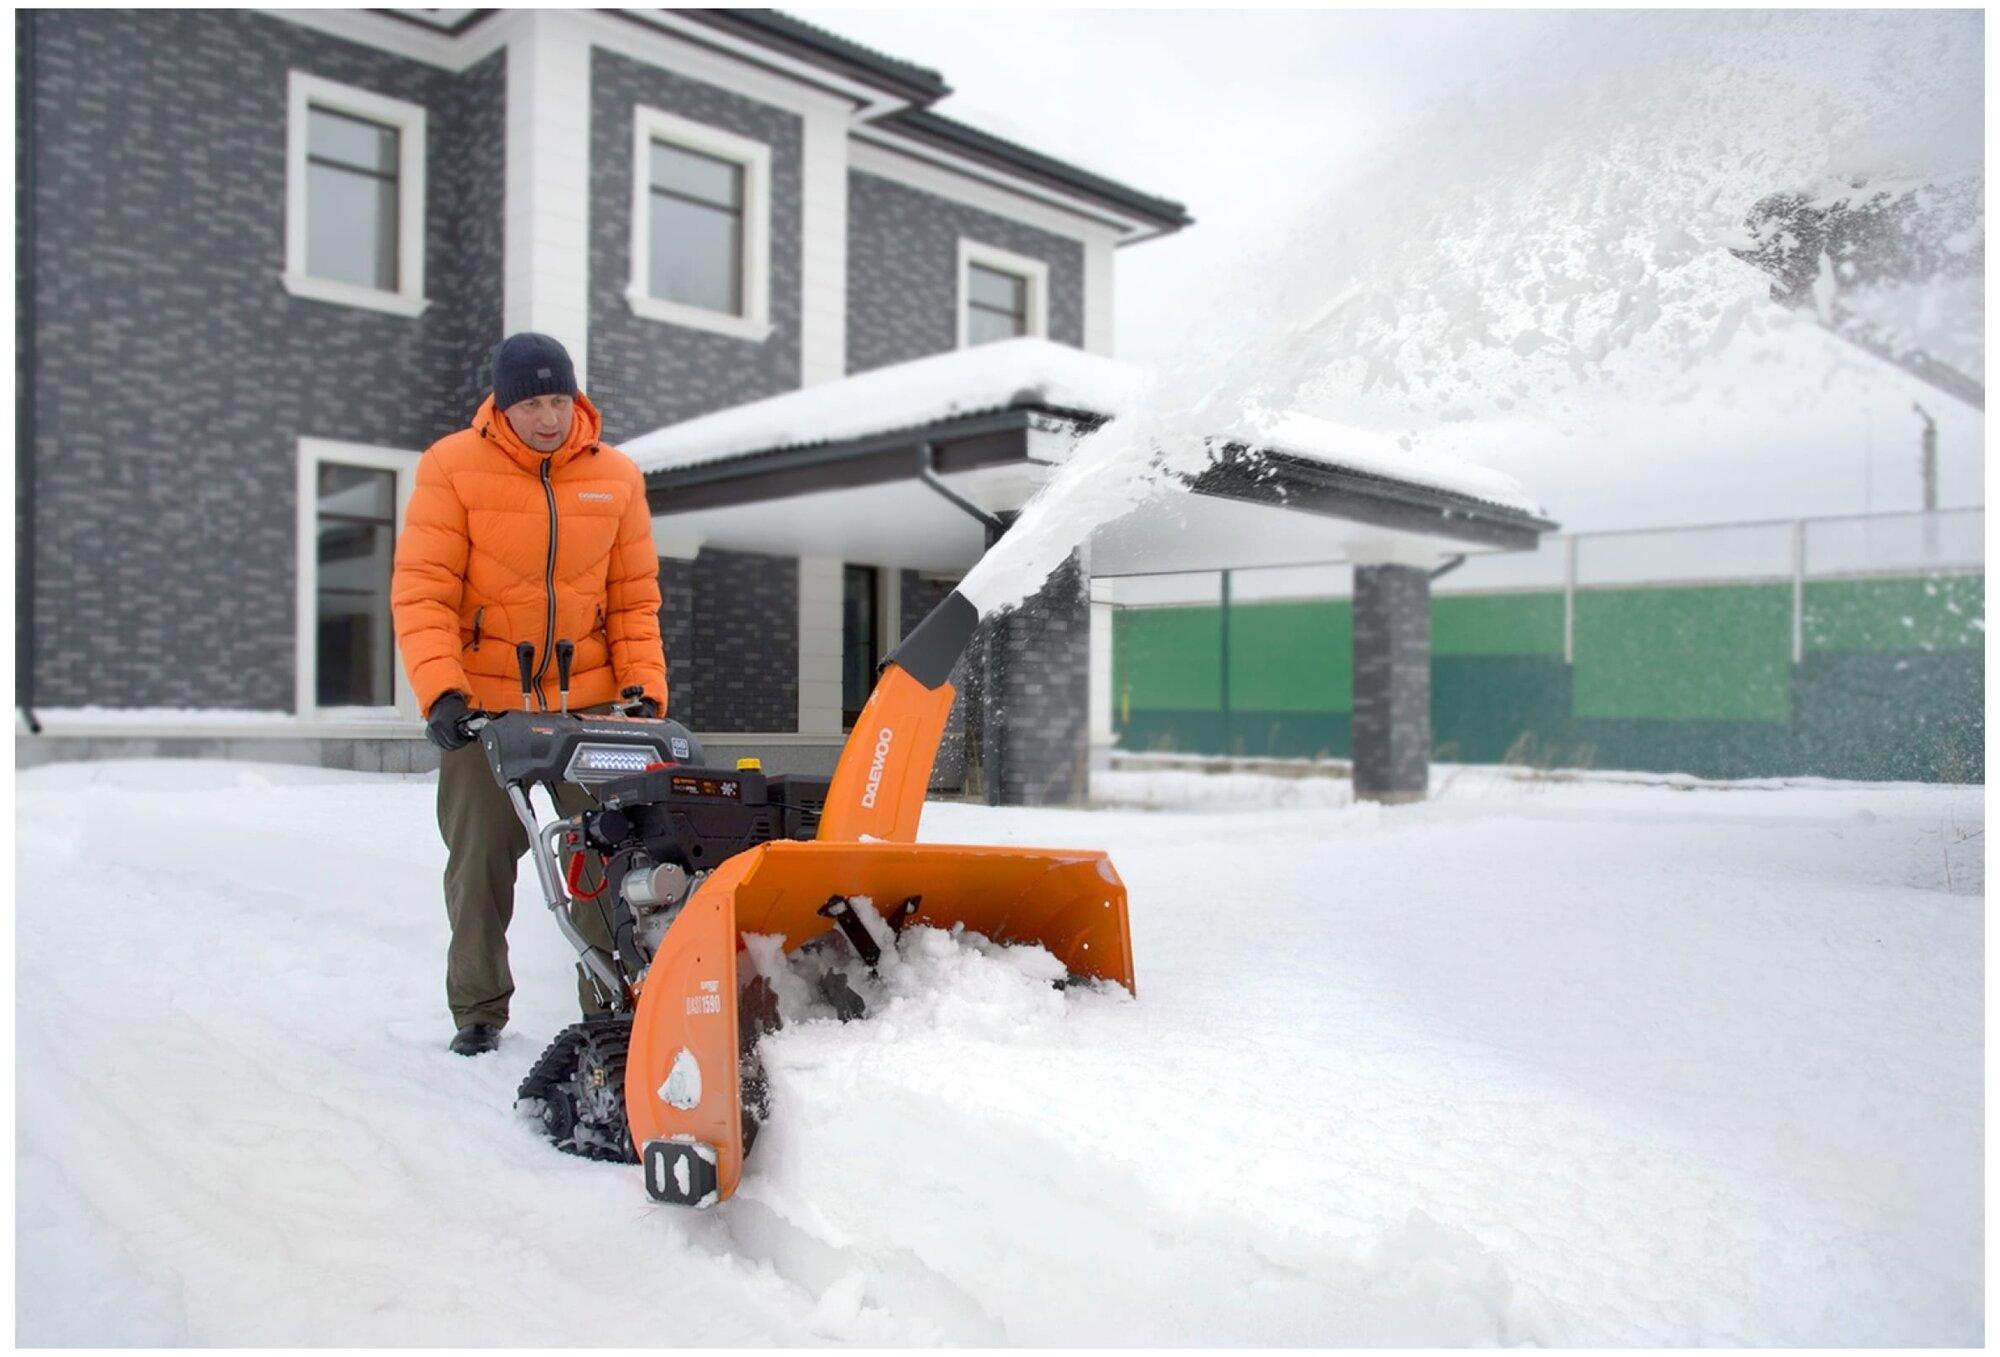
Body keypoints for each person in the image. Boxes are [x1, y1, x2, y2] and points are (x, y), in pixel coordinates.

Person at [391, 333, 668, 1056]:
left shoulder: (616, 478)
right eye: (532, 404)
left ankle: (613, 1003)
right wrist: (441, 692)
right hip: (486, 706)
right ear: (502, 406)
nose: (548, 418)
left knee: (608, 854)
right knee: (480, 858)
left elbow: (633, 600)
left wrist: (642, 689)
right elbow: (424, 591)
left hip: (590, 705)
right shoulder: (452, 466)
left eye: (557, 401)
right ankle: (478, 1007)